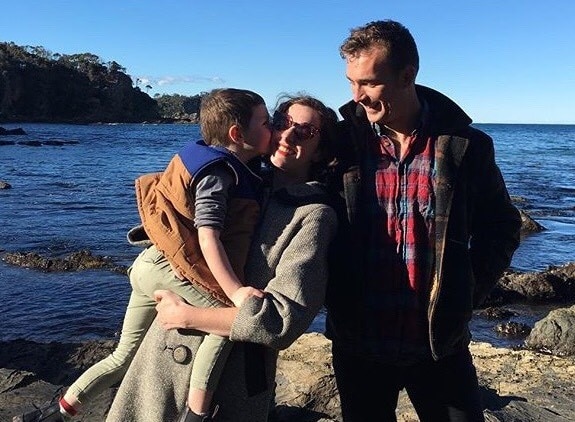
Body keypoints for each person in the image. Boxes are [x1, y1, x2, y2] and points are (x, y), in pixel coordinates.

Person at [13, 88, 271, 422]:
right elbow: (208, 237)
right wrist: (234, 293)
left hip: (147, 263)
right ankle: (196, 415)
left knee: (123, 355)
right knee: (226, 324)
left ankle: (57, 413)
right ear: (237, 134)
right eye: (266, 122)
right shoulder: (218, 175)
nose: (273, 128)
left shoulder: (212, 159)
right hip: (169, 269)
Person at [324, 20, 522, 422]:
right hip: (359, 342)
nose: (357, 95)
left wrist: (466, 294)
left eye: (369, 82)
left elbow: (501, 225)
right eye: (350, 82)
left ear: (407, 75)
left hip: (437, 344)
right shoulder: (342, 144)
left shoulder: (465, 147)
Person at [104, 94, 339, 421]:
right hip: (161, 360)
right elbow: (174, 224)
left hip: (231, 384)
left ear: (322, 150)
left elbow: (281, 321)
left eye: (304, 132)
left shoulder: (313, 216)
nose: (286, 136)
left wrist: (188, 317)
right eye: (281, 123)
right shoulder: (236, 178)